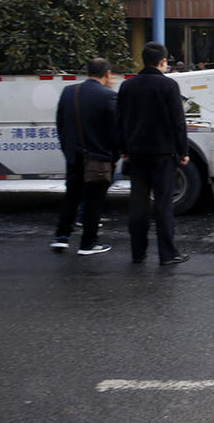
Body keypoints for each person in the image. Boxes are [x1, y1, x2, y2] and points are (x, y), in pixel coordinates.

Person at [117, 42, 191, 266]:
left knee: (138, 204)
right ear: (162, 62)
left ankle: (138, 253)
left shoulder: (127, 86)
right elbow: (178, 122)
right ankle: (167, 254)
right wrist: (183, 151)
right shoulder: (168, 86)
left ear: (143, 60)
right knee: (163, 204)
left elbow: (119, 120)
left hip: (137, 153)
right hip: (163, 153)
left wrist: (124, 149)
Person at [50, 58, 117, 256]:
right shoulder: (109, 96)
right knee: (94, 201)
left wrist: (68, 150)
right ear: (107, 74)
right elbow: (115, 131)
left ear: (87, 72)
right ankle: (88, 243)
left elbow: (60, 124)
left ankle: (61, 237)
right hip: (99, 158)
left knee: (72, 196)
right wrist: (113, 156)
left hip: (73, 155)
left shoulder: (69, 92)